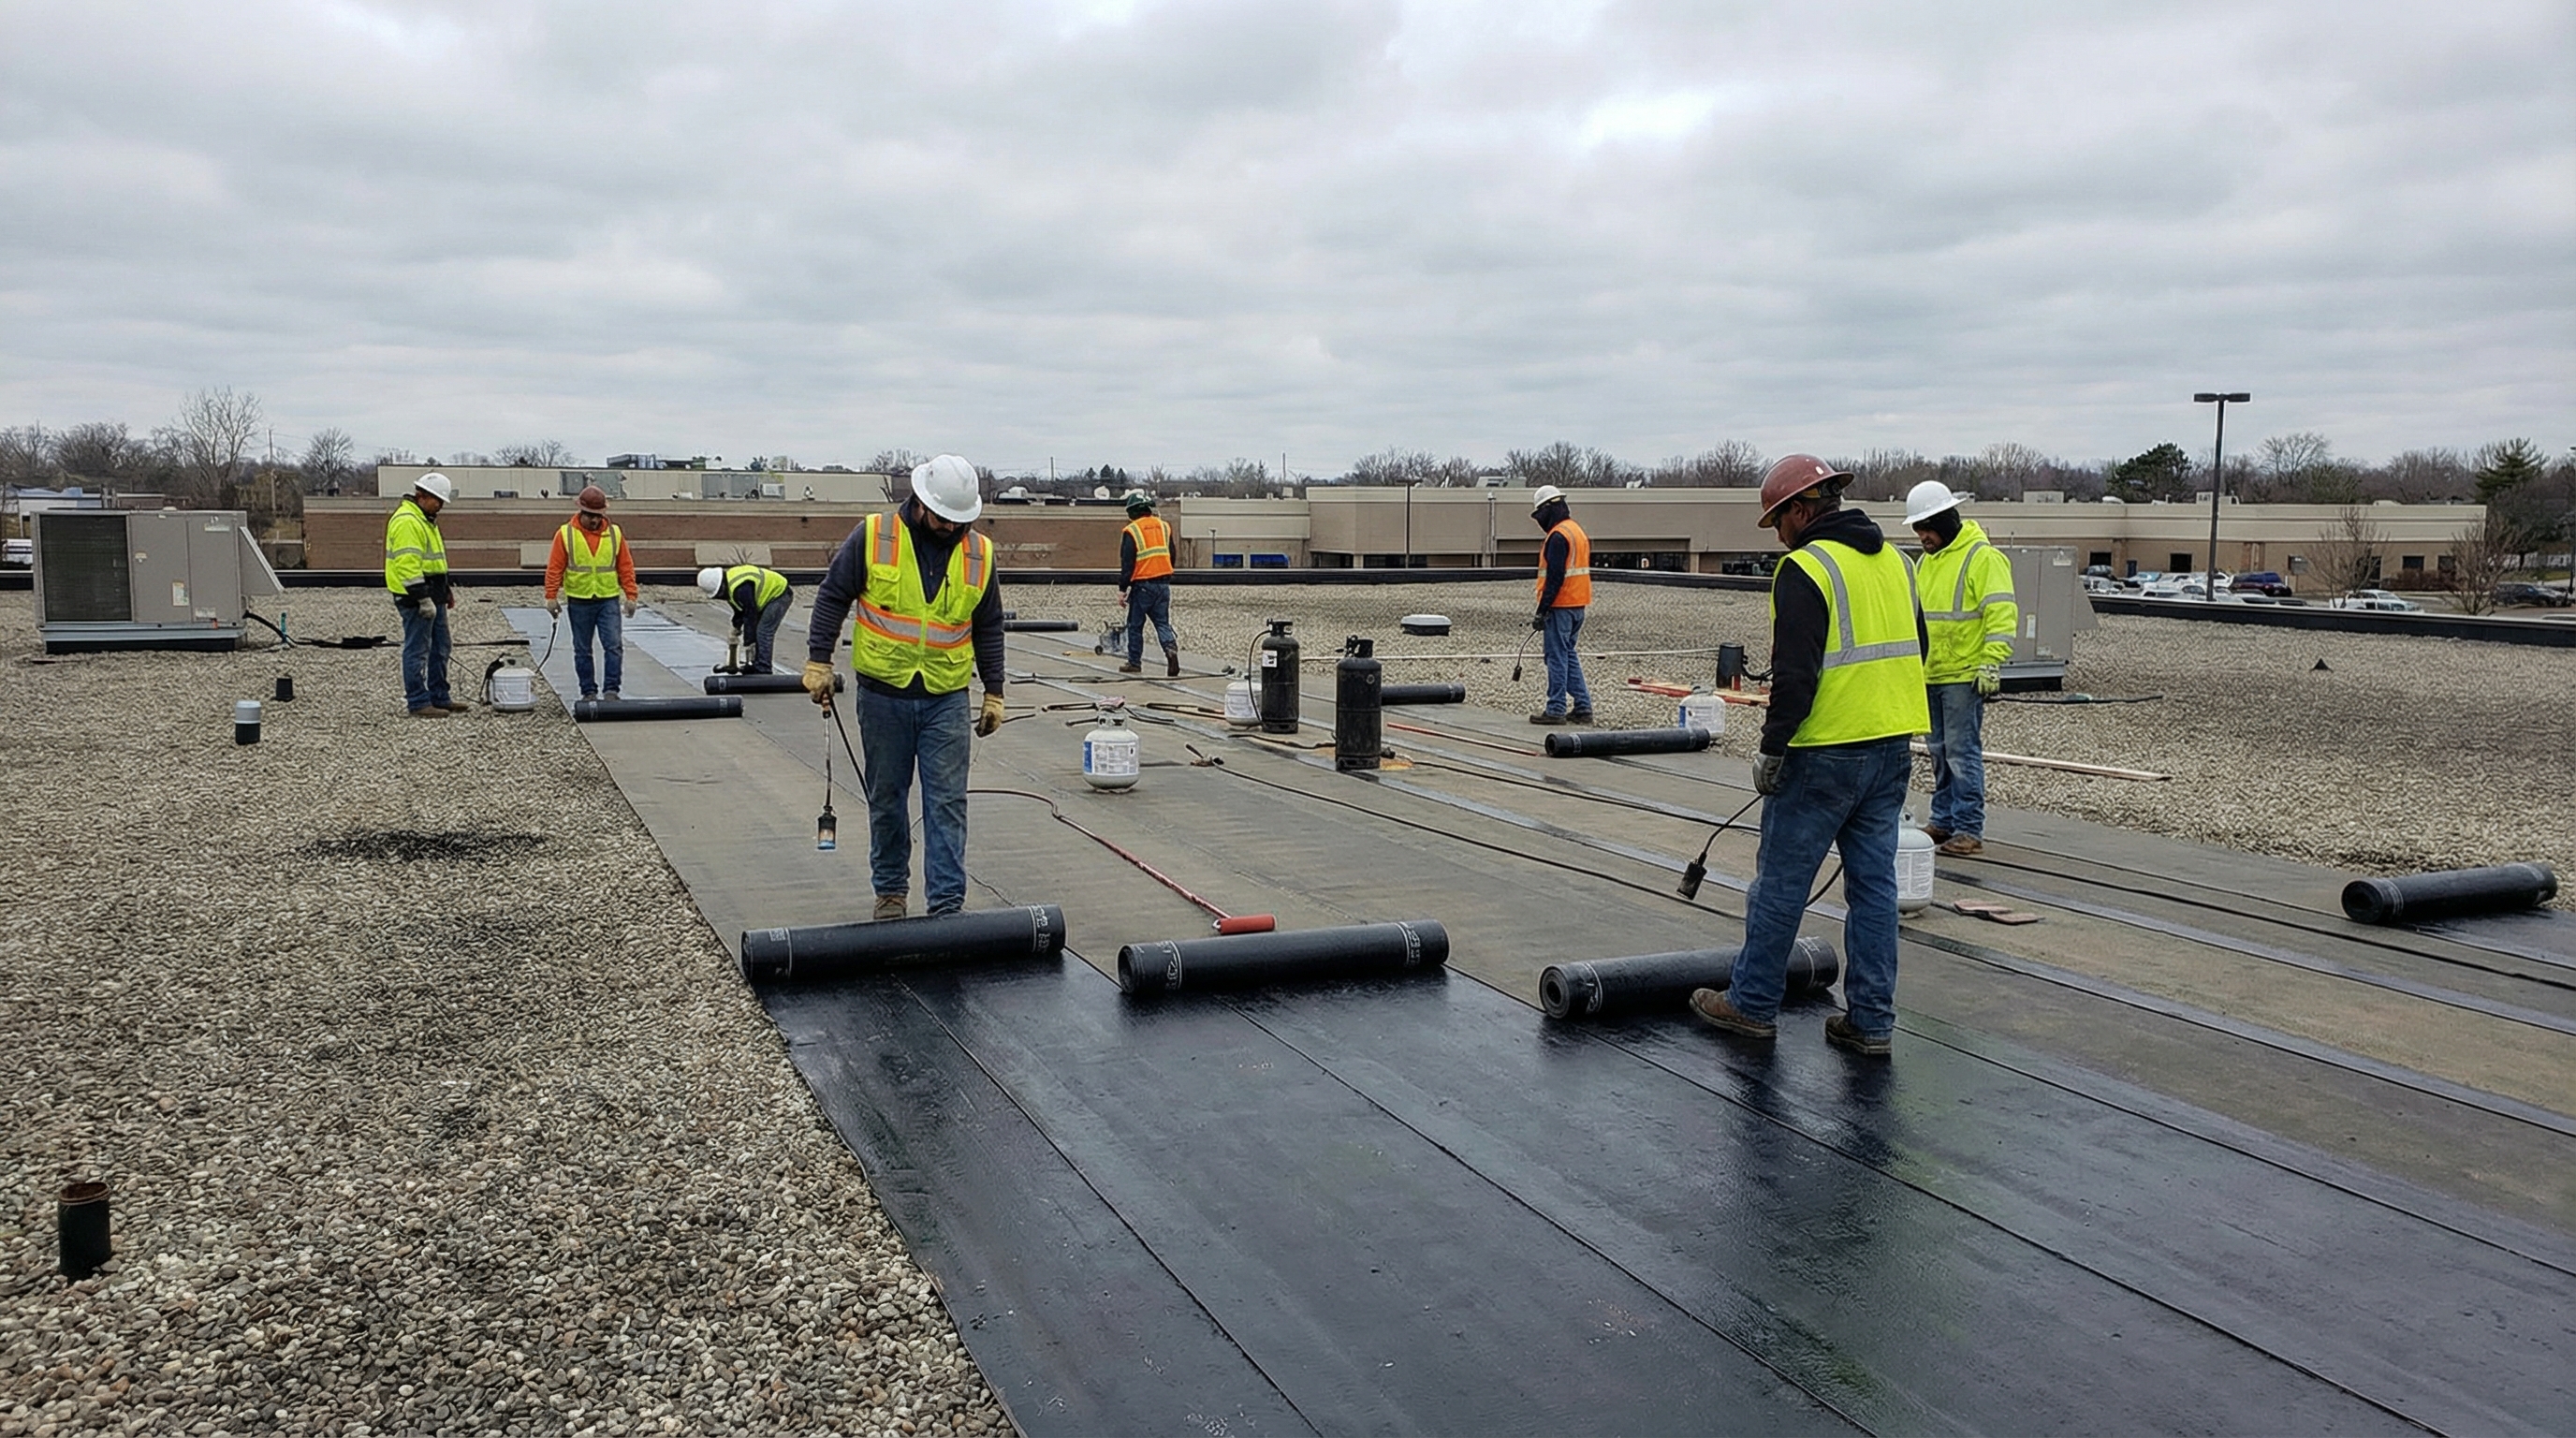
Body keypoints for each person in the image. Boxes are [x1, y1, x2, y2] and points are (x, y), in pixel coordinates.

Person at [1690, 455, 1928, 1059]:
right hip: (1891, 746)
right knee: (1873, 891)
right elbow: (1917, 646)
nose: (1777, 535)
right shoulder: (1898, 562)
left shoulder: (1807, 567)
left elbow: (1796, 674)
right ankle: (1871, 1021)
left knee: (1780, 886)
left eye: (1777, 521)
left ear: (1801, 509)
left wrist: (1772, 748)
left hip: (1823, 751)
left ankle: (1751, 1005)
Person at [801, 455, 1007, 921]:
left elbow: (988, 625)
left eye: (961, 521)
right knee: (888, 798)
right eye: (944, 519)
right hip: (883, 695)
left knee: (947, 804)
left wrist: (994, 691)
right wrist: (818, 660)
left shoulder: (979, 553)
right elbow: (834, 595)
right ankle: (891, 892)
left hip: (946, 698)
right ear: (920, 503)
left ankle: (947, 906)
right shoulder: (874, 536)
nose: (951, 529)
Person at [1905, 480, 2018, 858]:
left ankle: (1969, 827)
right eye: (1918, 529)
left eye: (1926, 527)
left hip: (1964, 674)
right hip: (1932, 672)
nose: (1922, 536)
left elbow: (2001, 613)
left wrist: (1992, 660)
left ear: (1946, 519)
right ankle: (1944, 819)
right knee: (1939, 751)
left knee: (1961, 753)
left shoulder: (1982, 558)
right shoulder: (1926, 563)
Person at [543, 485, 638, 702]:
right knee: (582, 649)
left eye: (598, 516)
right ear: (581, 512)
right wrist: (551, 596)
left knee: (613, 645)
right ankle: (588, 692)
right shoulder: (566, 534)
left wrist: (631, 595)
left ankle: (611, 691)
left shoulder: (614, 534)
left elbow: (625, 566)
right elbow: (555, 567)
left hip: (608, 599)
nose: (595, 521)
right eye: (591, 516)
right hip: (579, 601)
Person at [384, 473, 464, 718]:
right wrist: (422, 598)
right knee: (417, 649)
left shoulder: (425, 519)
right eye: (437, 500)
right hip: (415, 597)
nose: (440, 505)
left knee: (441, 646)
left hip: (433, 593)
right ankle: (418, 701)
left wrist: (444, 591)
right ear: (422, 496)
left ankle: (439, 696)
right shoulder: (408, 521)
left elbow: (434, 563)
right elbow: (407, 565)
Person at [1527, 484, 1594, 725]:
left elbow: (1555, 577)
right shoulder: (1576, 531)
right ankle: (1583, 707)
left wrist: (1542, 610)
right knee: (1568, 654)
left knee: (1556, 657)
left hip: (1561, 605)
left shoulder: (1558, 536)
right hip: (1578, 604)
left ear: (1547, 509)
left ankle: (1555, 708)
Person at [1116, 491, 1180, 676]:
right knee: (1162, 623)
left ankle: (1134, 662)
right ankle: (1170, 650)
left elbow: (1127, 562)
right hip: (1163, 584)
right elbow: (1172, 554)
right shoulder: (1164, 526)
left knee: (1135, 625)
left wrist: (1122, 589)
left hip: (1143, 585)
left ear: (1133, 512)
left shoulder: (1132, 530)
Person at [699, 564, 793, 674]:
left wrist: (749, 642)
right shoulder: (730, 585)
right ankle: (757, 663)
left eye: (718, 595)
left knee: (763, 631)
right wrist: (735, 628)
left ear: (721, 587)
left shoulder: (740, 588)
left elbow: (750, 614)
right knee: (758, 630)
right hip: (766, 597)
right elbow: (740, 610)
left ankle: (763, 667)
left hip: (779, 593)